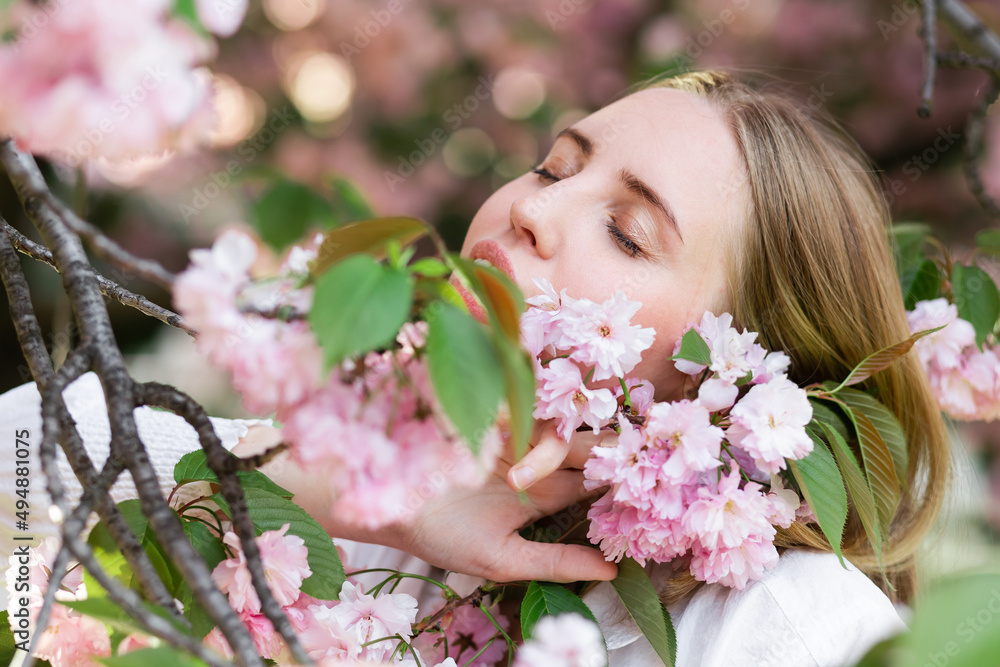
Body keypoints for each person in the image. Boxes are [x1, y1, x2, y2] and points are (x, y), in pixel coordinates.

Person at [0, 70, 949, 665]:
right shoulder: (364, 522)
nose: (532, 209)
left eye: (626, 231)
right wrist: (319, 488)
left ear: (741, 391)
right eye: (550, 167)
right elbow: (15, 476)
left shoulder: (782, 627)